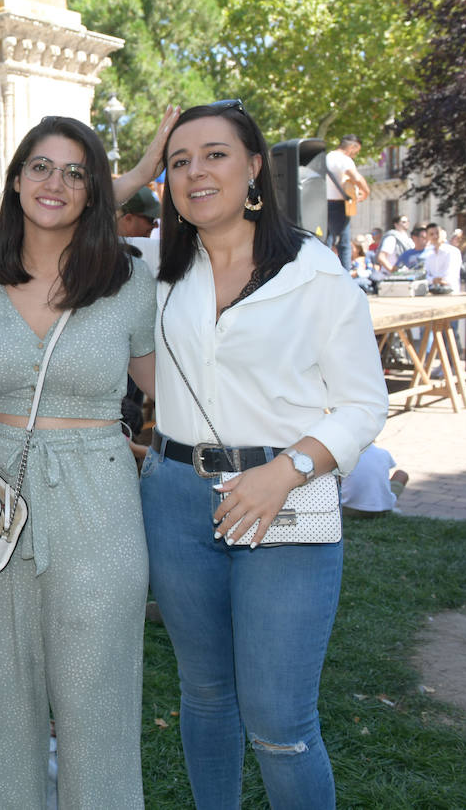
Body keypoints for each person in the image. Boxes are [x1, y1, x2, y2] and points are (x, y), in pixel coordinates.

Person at [140, 101, 387, 808]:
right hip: (176, 495)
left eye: (215, 154)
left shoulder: (312, 270)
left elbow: (365, 403)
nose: (195, 172)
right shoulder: (157, 272)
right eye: (179, 161)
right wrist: (147, 152)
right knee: (207, 695)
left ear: (253, 167)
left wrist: (288, 471)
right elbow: (76, 211)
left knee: (280, 720)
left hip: (285, 496)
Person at [0, 115, 156, 808]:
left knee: (99, 696)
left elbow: (168, 395)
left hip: (100, 496)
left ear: (94, 191)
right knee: (3, 693)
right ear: (16, 180)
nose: (54, 183)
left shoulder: (128, 280)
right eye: (40, 167)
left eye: (75, 172)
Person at [323, 134, 369, 271]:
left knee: (326, 242)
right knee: (344, 244)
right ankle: (346, 276)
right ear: (351, 146)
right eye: (356, 150)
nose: (355, 154)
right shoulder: (343, 159)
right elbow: (356, 178)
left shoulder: (326, 157)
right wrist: (366, 191)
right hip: (338, 205)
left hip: (322, 204)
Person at [340, 445, 407, 518]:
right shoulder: (384, 453)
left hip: (347, 509)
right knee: (401, 474)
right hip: (382, 511)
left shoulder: (343, 454)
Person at [424, 225, 463, 292]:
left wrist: (435, 280)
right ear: (427, 237)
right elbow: (426, 275)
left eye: (437, 233)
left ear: (442, 233)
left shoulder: (453, 251)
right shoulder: (428, 254)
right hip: (433, 292)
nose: (435, 236)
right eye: (431, 234)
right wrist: (433, 280)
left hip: (450, 291)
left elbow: (450, 274)